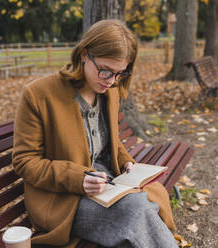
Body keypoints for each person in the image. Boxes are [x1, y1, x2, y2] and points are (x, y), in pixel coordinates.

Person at [12, 19, 179, 248]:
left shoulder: (109, 92)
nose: (111, 81)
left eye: (119, 73)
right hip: (62, 200)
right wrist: (78, 179)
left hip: (108, 186)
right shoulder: (38, 94)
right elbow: (24, 162)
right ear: (83, 54)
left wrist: (125, 162)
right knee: (138, 210)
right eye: (105, 70)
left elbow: (111, 141)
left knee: (140, 211)